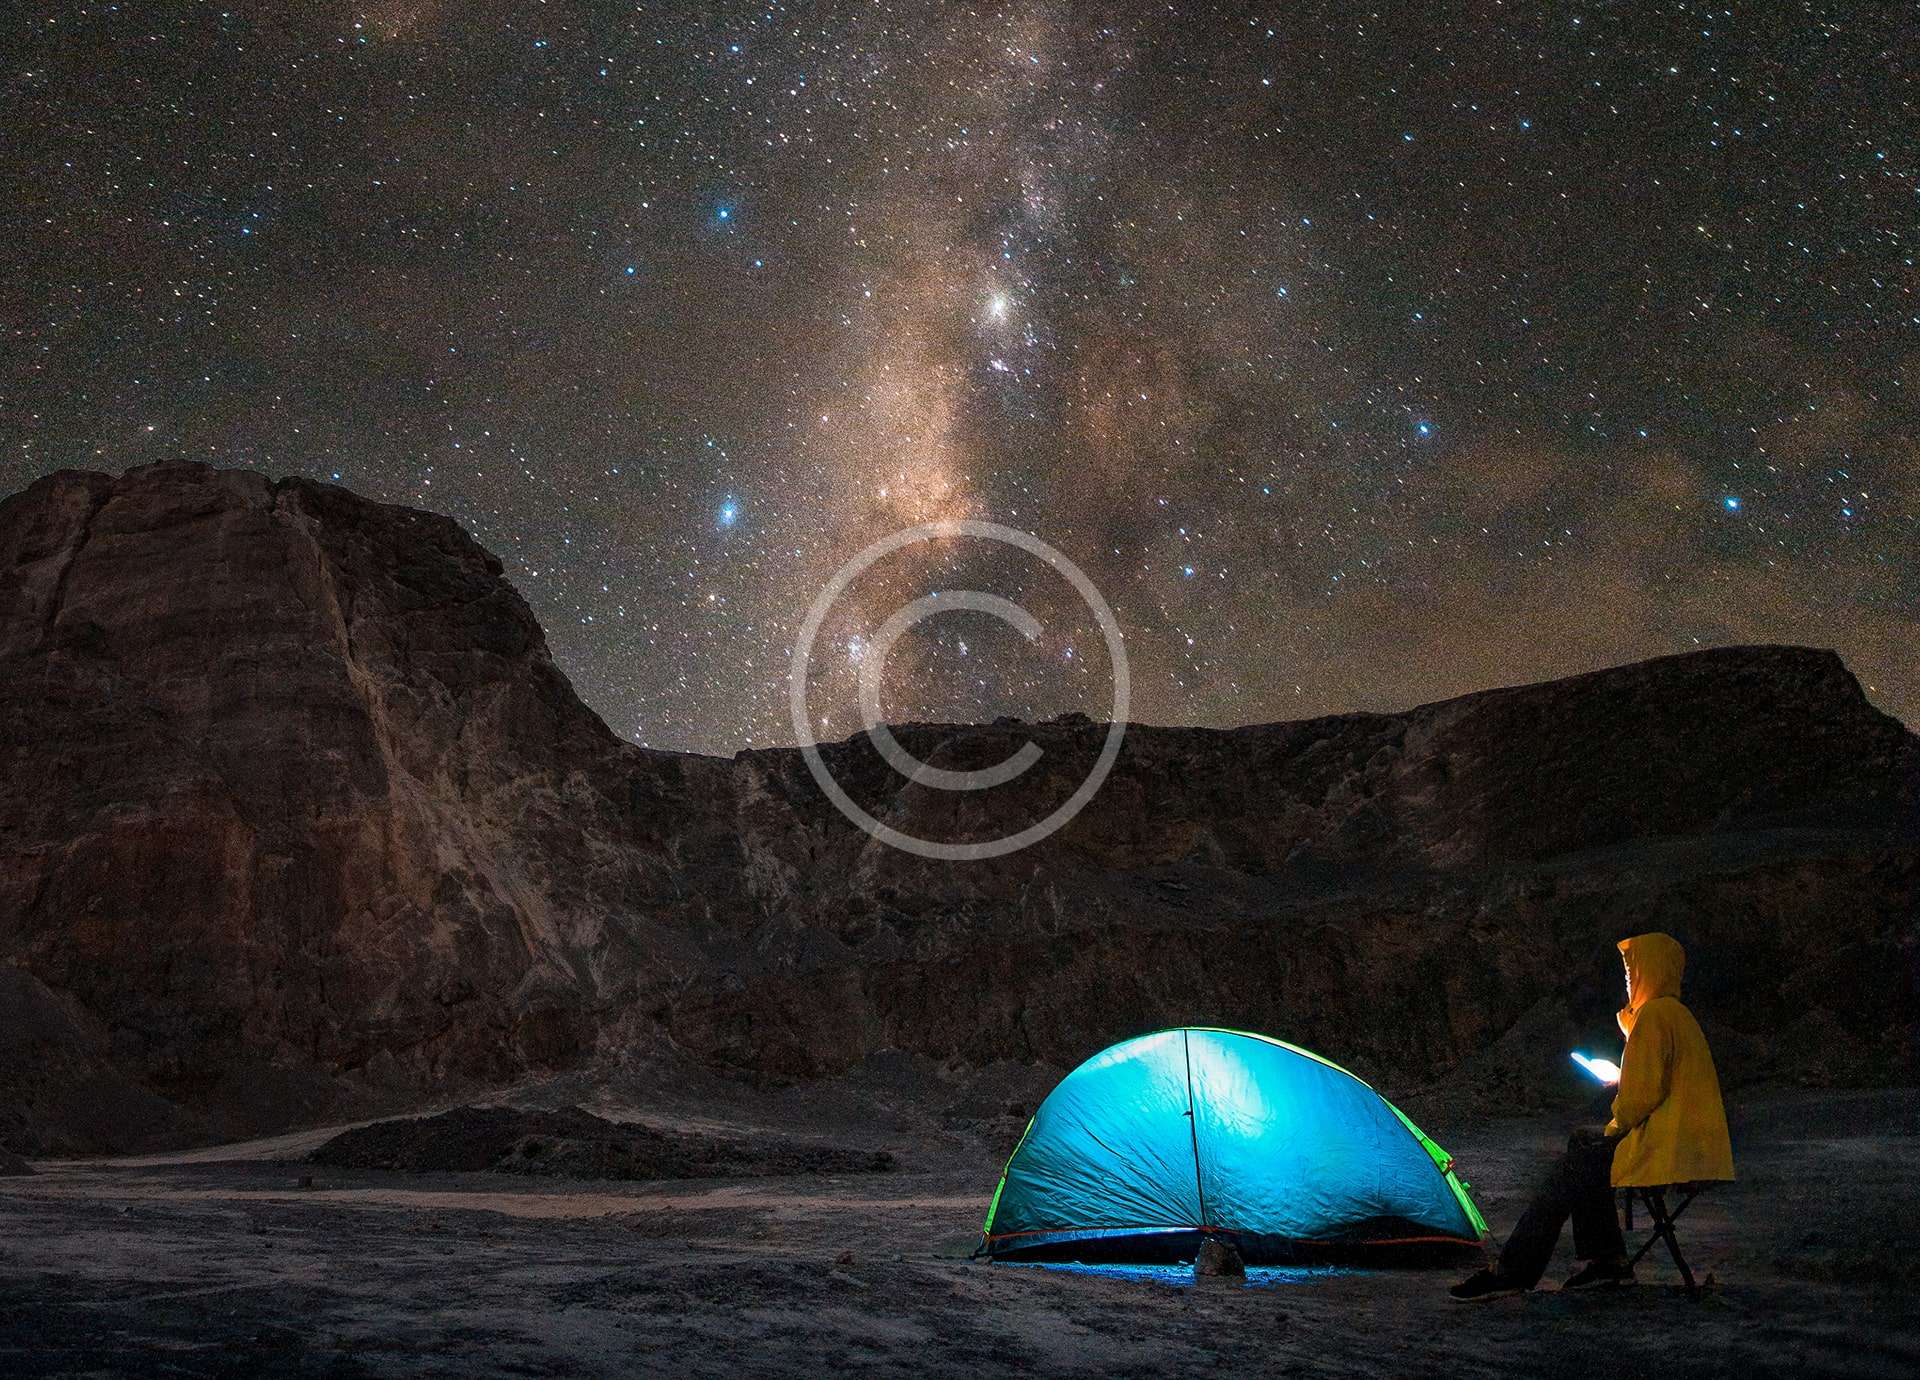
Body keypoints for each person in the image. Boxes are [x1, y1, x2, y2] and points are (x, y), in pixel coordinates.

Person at [1450, 931, 1734, 1300]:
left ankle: (1513, 1270)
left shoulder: (1654, 1016)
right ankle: (1603, 1260)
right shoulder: (1677, 1015)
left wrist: (1616, 1117)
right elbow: (1662, 1085)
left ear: (1650, 972)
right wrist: (1623, 1079)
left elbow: (1638, 1101)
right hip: (1692, 1144)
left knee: (1575, 1164)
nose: (1628, 980)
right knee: (1584, 1146)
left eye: (1632, 972)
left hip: (1668, 1148)